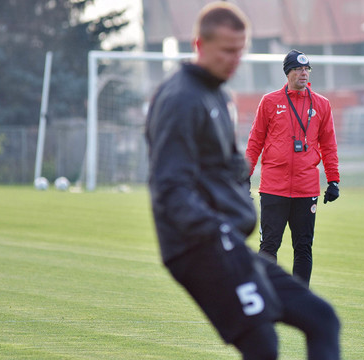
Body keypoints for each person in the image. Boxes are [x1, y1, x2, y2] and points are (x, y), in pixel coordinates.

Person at [145, 2, 340, 359]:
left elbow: (229, 164)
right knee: (262, 343)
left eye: (241, 51)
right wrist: (216, 228)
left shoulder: (217, 94)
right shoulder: (180, 99)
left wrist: (238, 184)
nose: (235, 59)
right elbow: (169, 189)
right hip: (197, 249)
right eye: (226, 51)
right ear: (199, 46)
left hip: (227, 241)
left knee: (322, 318)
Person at [246, 49, 340, 287]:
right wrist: (244, 175)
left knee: (303, 247)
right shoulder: (269, 102)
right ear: (288, 72)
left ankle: (301, 300)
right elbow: (255, 141)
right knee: (268, 246)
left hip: (306, 188)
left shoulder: (322, 104)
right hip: (273, 187)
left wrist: (334, 180)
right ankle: (265, 296)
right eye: (298, 69)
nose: (304, 73)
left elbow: (329, 145)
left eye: (307, 69)